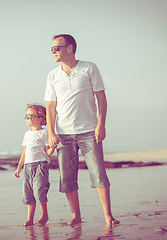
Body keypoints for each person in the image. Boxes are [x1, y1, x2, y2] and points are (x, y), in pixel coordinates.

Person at [44, 34, 119, 225]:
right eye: (52, 48)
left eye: (56, 48)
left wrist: (101, 124)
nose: (53, 51)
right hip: (64, 134)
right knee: (67, 178)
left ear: (69, 48)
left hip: (89, 131)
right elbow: (50, 107)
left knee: (98, 174)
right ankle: (76, 216)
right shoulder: (52, 76)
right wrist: (51, 133)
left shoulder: (89, 68)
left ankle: (108, 216)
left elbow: (101, 97)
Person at [14, 104, 55, 227]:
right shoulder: (27, 134)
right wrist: (19, 168)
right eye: (26, 116)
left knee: (39, 191)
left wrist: (52, 148)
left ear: (40, 118)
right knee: (28, 193)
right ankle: (29, 219)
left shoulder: (44, 133)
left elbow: (47, 151)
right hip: (27, 167)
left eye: (30, 116)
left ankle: (44, 215)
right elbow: (25, 152)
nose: (27, 118)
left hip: (40, 166)